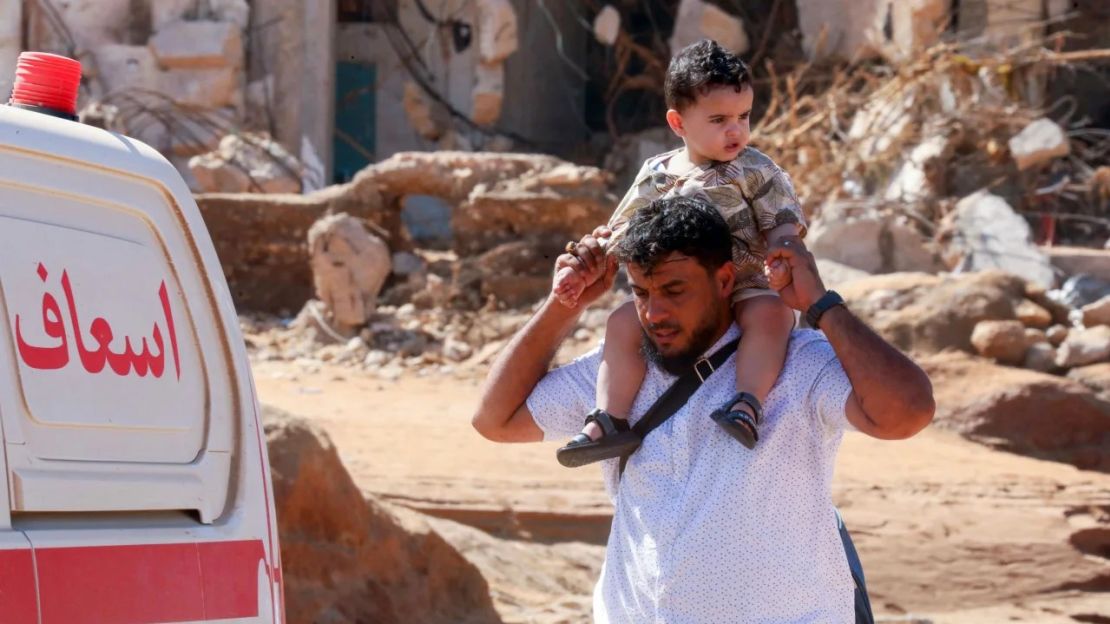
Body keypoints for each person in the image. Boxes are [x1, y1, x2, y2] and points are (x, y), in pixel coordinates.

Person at [471, 196, 935, 622]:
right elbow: (496, 419)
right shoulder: (620, 371)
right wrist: (563, 304)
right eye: (641, 293)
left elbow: (906, 412)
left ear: (725, 280)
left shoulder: (795, 365)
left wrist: (820, 305)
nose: (654, 313)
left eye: (675, 291)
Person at [552, 39, 806, 467]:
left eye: (744, 117)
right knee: (621, 324)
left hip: (745, 281)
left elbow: (782, 217)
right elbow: (622, 226)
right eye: (720, 119)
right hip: (673, 289)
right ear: (678, 122)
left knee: (770, 316)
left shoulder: (755, 168)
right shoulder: (658, 173)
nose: (736, 131)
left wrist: (783, 246)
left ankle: (746, 403)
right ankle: (609, 420)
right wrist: (588, 257)